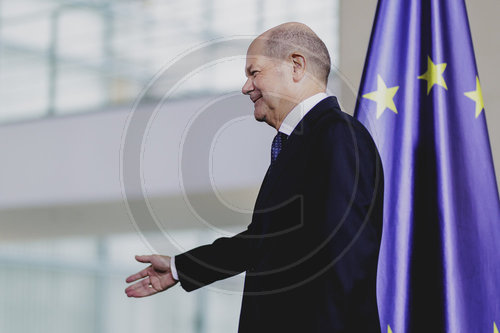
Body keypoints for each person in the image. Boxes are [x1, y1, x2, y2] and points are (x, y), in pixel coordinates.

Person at [125, 22, 384, 332]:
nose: (246, 87)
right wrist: (181, 268)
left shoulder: (337, 135)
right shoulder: (300, 143)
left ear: (296, 65)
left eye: (254, 72)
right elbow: (266, 241)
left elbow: (345, 256)